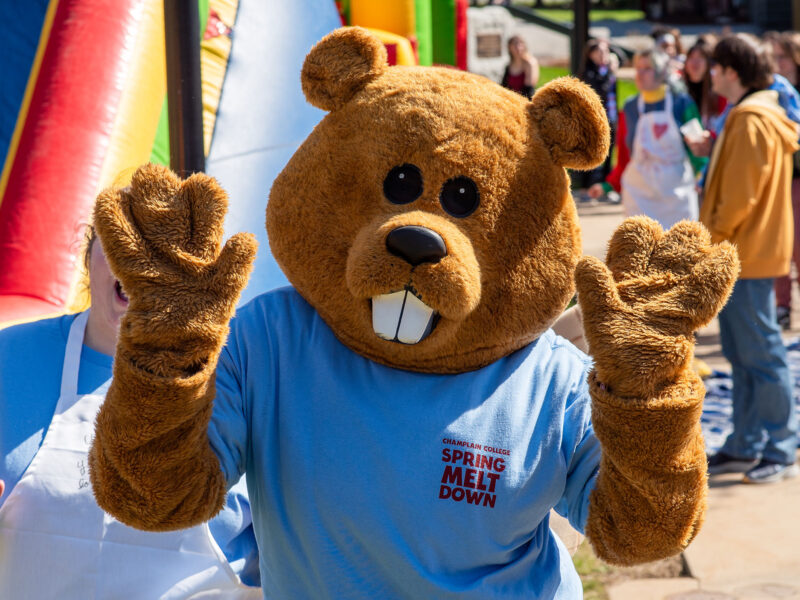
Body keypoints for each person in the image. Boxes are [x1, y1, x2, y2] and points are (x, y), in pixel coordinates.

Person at [0, 223, 261, 597]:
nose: (138, 261)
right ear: (89, 255)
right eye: (120, 240)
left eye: (161, 248)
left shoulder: (241, 374)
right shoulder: (10, 357)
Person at [699, 34, 799, 483]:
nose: (709, 75)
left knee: (762, 355)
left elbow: (739, 197)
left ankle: (781, 445)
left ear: (731, 70)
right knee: (743, 354)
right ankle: (745, 443)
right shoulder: (753, 114)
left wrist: (708, 241)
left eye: (714, 67)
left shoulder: (752, 118)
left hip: (745, 255)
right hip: (744, 253)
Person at [588, 49, 706, 230]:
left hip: (677, 198)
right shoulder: (630, 107)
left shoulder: (682, 103)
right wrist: (609, 185)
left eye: (647, 69)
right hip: (639, 198)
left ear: (661, 73)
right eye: (638, 69)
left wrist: (703, 179)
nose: (640, 74)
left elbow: (699, 149)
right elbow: (625, 157)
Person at [770, 32, 800, 330]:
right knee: (780, 243)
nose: (777, 63)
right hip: (781, 176)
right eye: (773, 57)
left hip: (797, 178)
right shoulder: (772, 90)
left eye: (783, 56)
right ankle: (782, 306)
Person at [575, 38, 619, 196]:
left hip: (612, 117)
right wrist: (609, 71)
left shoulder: (607, 69)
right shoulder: (589, 72)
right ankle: (586, 187)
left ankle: (605, 187)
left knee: (609, 153)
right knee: (593, 152)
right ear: (591, 54)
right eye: (599, 52)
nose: (604, 55)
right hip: (596, 120)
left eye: (606, 51)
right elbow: (602, 89)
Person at [683, 37, 726, 130]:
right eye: (691, 57)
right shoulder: (678, 89)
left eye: (700, 58)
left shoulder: (718, 91)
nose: (695, 62)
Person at [501, 35, 539, 99]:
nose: (518, 47)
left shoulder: (530, 63)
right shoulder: (509, 65)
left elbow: (529, 91)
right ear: (509, 47)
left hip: (525, 101)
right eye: (515, 44)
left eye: (521, 43)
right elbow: (504, 87)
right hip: (510, 100)